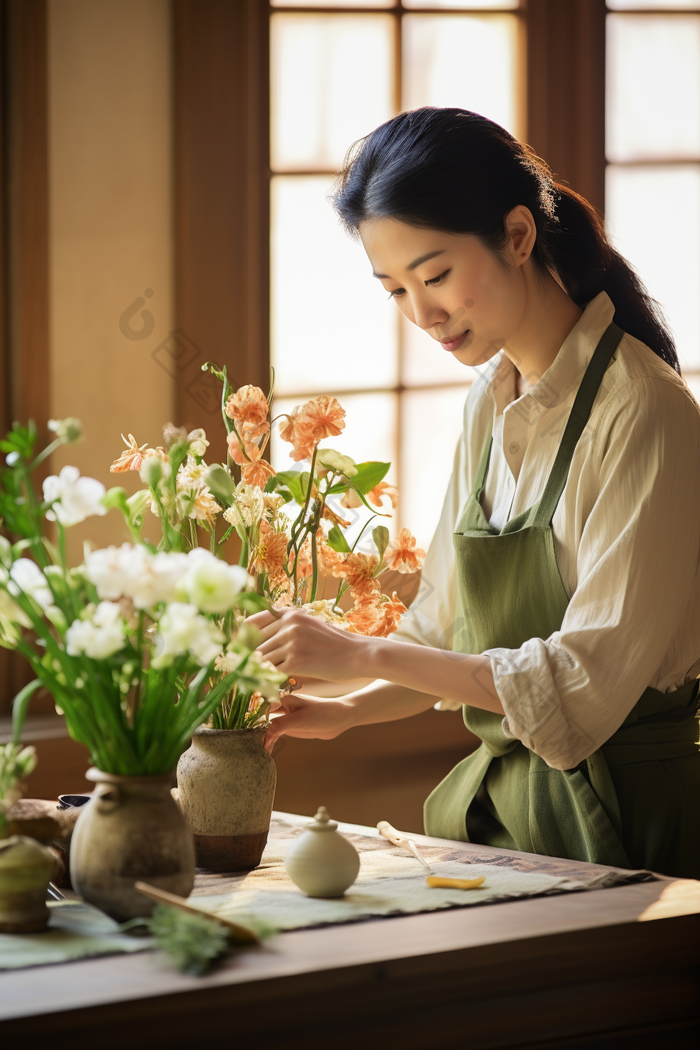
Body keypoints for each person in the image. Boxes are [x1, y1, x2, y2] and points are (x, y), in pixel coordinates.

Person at [249, 107, 700, 879]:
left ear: (518, 236)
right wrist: (345, 710)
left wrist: (359, 650)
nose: (422, 315)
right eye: (394, 290)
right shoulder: (489, 398)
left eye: (435, 275)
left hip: (633, 828)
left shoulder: (645, 410)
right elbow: (444, 631)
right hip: (505, 820)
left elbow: (579, 687)